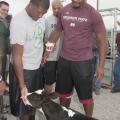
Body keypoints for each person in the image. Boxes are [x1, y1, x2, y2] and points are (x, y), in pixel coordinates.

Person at [43, 0, 106, 117]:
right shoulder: (64, 11)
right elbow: (57, 31)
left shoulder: (93, 14)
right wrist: (48, 49)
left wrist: (101, 66)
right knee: (63, 95)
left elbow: (102, 41)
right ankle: (64, 116)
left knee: (86, 98)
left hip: (83, 62)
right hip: (64, 60)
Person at [9, 0, 50, 120]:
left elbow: (39, 39)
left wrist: (44, 52)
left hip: (37, 68)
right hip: (23, 70)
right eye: (39, 12)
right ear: (31, 4)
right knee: (24, 109)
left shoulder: (41, 17)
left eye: (44, 13)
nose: (41, 16)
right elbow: (16, 57)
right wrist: (22, 86)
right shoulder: (19, 22)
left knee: (34, 104)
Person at [44, 0, 63, 93]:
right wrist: (48, 45)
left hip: (63, 57)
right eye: (54, 8)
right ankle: (47, 100)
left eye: (58, 8)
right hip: (50, 58)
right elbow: (44, 39)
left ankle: (60, 102)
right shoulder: (47, 20)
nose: (56, 10)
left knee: (62, 82)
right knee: (49, 81)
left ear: (62, 7)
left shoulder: (66, 19)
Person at [0, 1, 9, 96]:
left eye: (7, 10)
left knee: (4, 73)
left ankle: (2, 89)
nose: (5, 12)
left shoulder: (5, 21)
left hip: (5, 53)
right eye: (3, 9)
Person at [111, 21, 120, 93]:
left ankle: (117, 87)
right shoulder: (118, 34)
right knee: (116, 71)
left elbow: (117, 43)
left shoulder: (118, 34)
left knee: (116, 71)